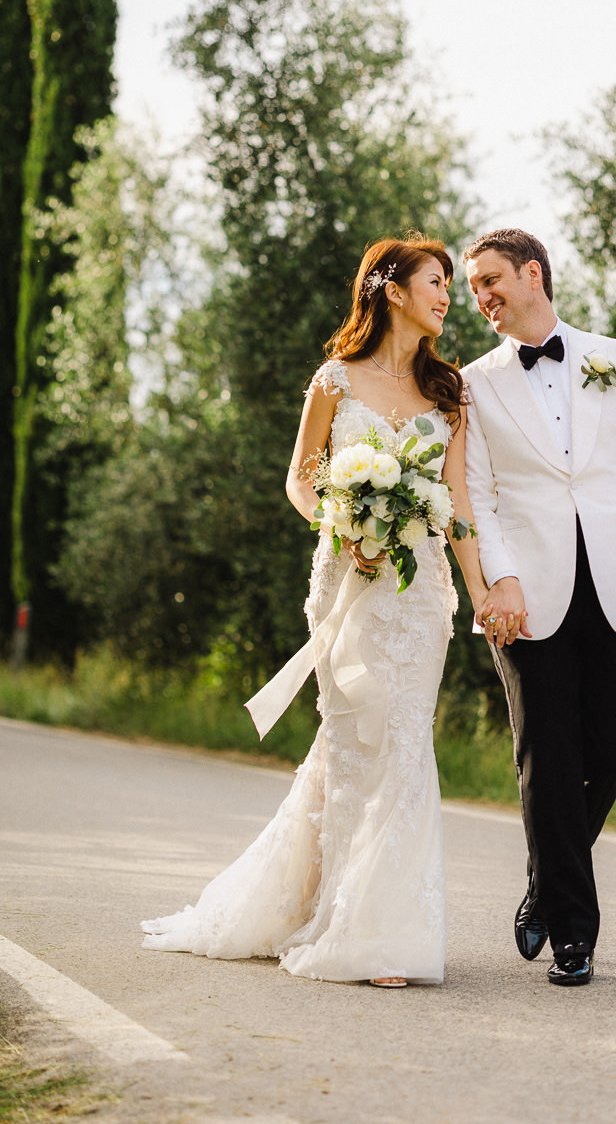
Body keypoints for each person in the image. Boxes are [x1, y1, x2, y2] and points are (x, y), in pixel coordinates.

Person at [142, 235, 488, 987]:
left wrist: (485, 592)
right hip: (345, 579)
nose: (447, 297)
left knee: (400, 741)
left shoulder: (450, 392)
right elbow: (301, 481)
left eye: (451, 287)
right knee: (348, 741)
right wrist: (342, 521)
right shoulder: (334, 379)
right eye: (437, 282)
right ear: (392, 289)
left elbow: (456, 506)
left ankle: (375, 930)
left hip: (418, 594)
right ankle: (316, 905)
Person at [461, 228, 616, 988]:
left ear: (532, 274)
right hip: (522, 596)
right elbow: (475, 498)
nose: (480, 299)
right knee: (548, 757)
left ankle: (546, 885)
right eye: (473, 287)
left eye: (490, 282)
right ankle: (575, 934)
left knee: (611, 750)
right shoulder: (474, 384)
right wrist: (497, 582)